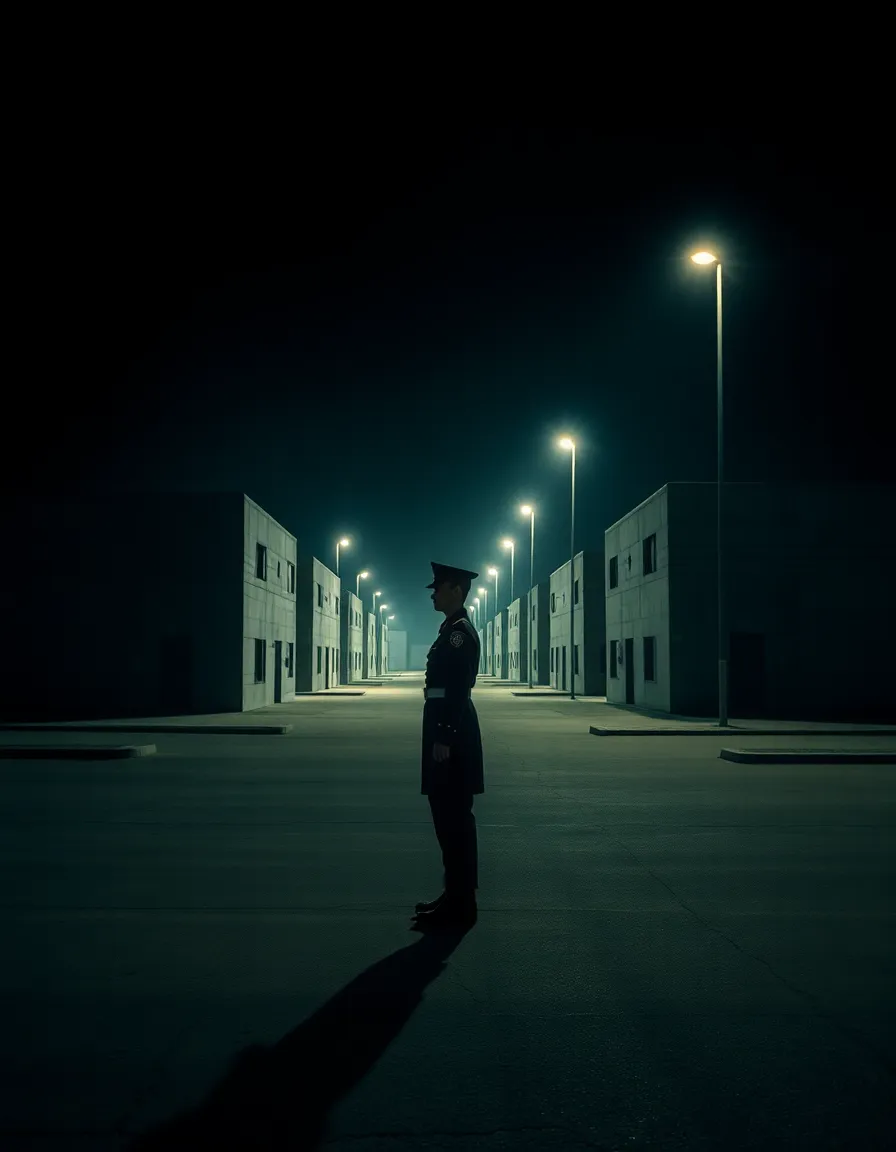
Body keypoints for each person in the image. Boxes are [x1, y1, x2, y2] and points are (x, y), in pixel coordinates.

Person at [412, 561, 484, 932]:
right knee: (446, 818)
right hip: (444, 727)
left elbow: (457, 688)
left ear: (456, 589)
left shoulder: (459, 634)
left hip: (450, 733)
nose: (434, 593)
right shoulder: (450, 629)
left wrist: (444, 735)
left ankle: (462, 903)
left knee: (454, 818)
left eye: (439, 587)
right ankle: (453, 895)